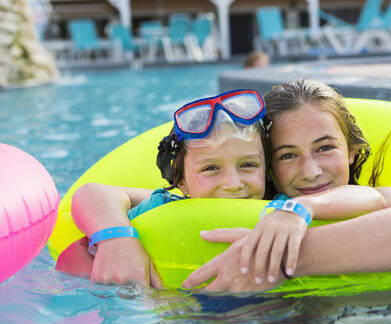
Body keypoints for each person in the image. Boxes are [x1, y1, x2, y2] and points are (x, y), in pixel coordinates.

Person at [181, 79, 391, 292]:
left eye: (324, 148)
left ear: (351, 151)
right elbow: (137, 196)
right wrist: (130, 232)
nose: (310, 171)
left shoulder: (378, 200)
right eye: (287, 155)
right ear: (267, 167)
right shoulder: (249, 206)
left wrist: (281, 254)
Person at [55, 89, 272, 288]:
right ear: (182, 182)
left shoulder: (284, 212)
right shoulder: (165, 207)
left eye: (248, 165)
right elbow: (91, 193)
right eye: (211, 168)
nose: (233, 184)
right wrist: (117, 240)